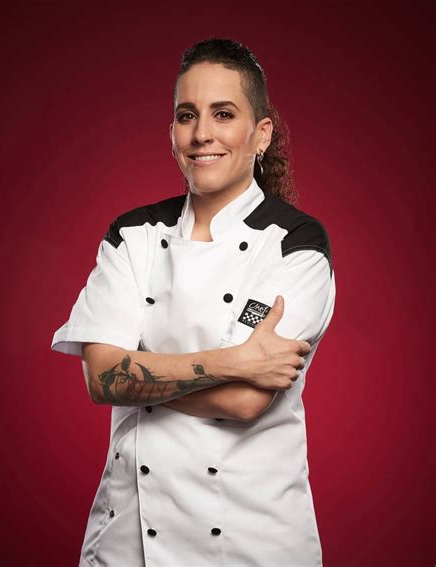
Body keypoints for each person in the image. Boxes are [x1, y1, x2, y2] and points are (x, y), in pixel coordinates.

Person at [51, 36, 336, 567]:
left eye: (223, 114)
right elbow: (101, 379)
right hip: (127, 541)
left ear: (261, 134)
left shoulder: (293, 244)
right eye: (187, 115)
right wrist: (234, 361)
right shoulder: (133, 235)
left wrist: (134, 372)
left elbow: (245, 400)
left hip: (250, 543)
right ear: (173, 134)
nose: (202, 133)